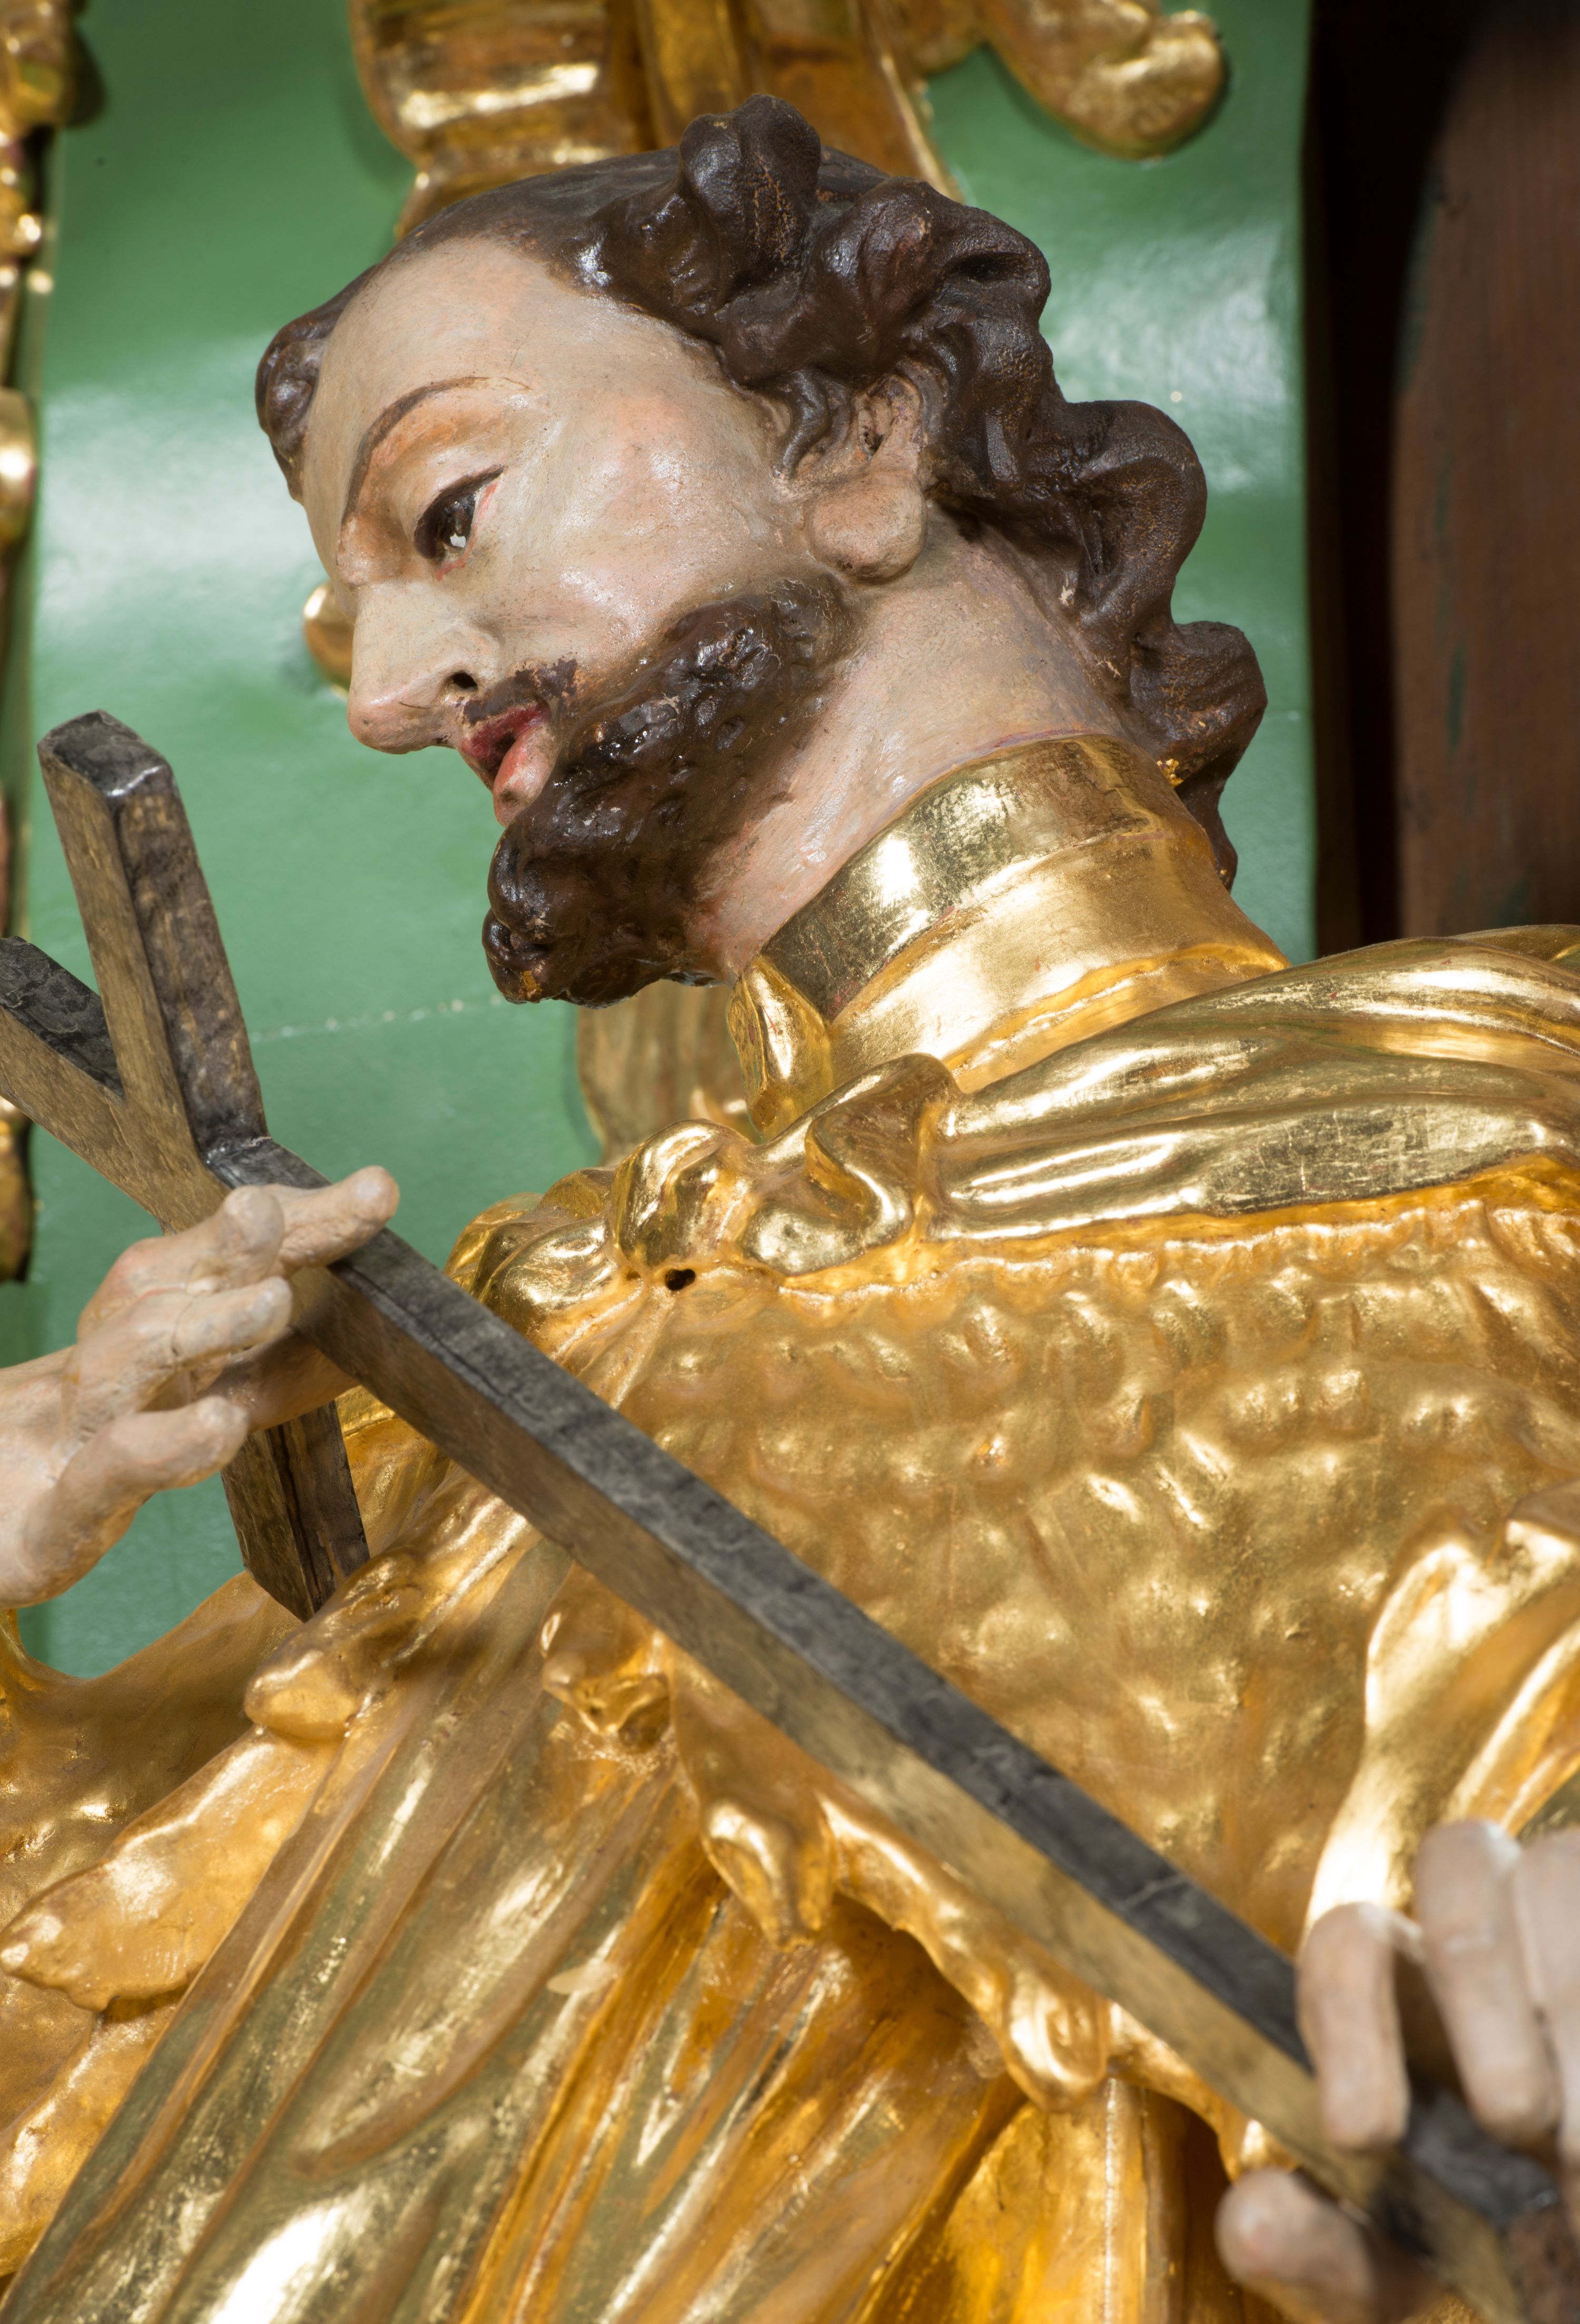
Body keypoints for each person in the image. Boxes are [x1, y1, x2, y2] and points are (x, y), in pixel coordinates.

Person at [5, 95, 1580, 2323]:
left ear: (858, 440)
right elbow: (93, 2092)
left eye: (451, 512)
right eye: (347, 620)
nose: (381, 699)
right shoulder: (522, 1362)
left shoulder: (1510, 1116)